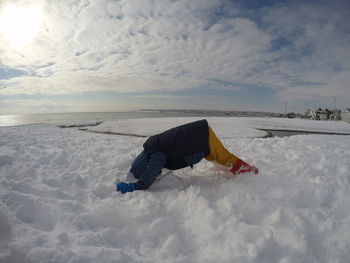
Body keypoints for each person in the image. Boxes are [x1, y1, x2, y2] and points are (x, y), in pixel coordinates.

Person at [116, 119, 258, 194]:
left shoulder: (155, 155)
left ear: (145, 163)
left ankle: (249, 171)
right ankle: (229, 168)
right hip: (200, 134)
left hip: (202, 136)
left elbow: (147, 178)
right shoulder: (152, 146)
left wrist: (134, 187)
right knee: (215, 156)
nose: (156, 171)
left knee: (225, 157)